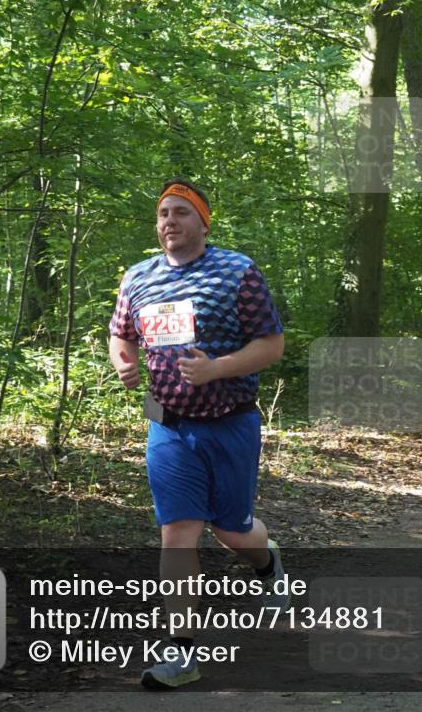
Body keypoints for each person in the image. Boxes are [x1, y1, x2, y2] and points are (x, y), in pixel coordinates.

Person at [109, 178, 287, 689]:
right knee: (178, 533)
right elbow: (121, 333)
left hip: (230, 421)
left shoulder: (237, 272)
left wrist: (218, 368)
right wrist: (124, 363)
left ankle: (269, 562)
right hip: (167, 425)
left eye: (181, 213)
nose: (169, 221)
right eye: (163, 213)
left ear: (203, 221)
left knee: (231, 531)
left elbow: (271, 344)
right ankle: (179, 653)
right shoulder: (138, 277)